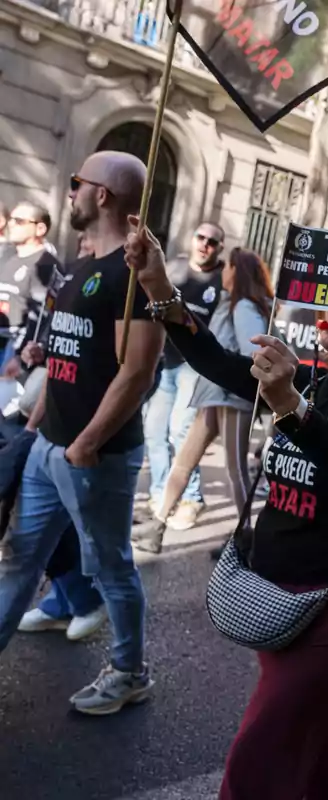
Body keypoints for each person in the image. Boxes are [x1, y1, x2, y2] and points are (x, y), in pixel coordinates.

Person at [125, 218, 328, 799]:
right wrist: (158, 284)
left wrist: (287, 405)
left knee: (263, 749)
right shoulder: (304, 379)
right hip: (276, 587)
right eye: (322, 300)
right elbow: (209, 356)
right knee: (313, 730)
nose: (324, 312)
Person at [0, 152, 166, 714]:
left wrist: (87, 443)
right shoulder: (78, 264)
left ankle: (129, 671)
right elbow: (64, 353)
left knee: (110, 564)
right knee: (21, 556)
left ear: (103, 196)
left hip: (97, 456)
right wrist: (37, 420)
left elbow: (139, 370)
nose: (69, 193)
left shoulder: (133, 274)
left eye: (78, 184)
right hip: (50, 443)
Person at [131, 248, 274, 553]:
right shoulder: (235, 303)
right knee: (184, 460)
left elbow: (254, 350)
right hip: (215, 394)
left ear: (236, 271)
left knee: (235, 469)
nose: (222, 272)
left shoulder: (244, 306)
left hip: (230, 397)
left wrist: (232, 374)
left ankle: (246, 539)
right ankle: (158, 524)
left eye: (227, 268)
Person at [140, 222, 226, 530]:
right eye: (200, 237)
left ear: (220, 248)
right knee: (153, 430)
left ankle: (191, 499)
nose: (205, 244)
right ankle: (160, 498)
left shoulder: (223, 280)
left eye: (212, 242)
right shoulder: (174, 268)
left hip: (196, 367)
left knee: (181, 431)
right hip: (166, 362)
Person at [0, 201, 61, 376]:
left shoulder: (46, 265)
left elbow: (43, 315)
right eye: (11, 219)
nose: (11, 224)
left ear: (40, 229)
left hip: (12, 350)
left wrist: (20, 357)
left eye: (19, 221)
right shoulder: (7, 255)